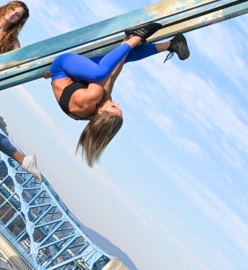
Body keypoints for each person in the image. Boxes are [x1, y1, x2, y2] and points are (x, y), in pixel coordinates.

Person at [49, 22, 190, 166]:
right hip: (78, 73)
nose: (116, 103)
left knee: (100, 73)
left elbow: (103, 75)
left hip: (62, 67)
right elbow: (113, 75)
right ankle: (172, 44)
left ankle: (137, 36)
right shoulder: (100, 106)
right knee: (122, 57)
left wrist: (133, 41)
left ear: (101, 112)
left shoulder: (91, 98)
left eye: (114, 107)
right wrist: (125, 47)